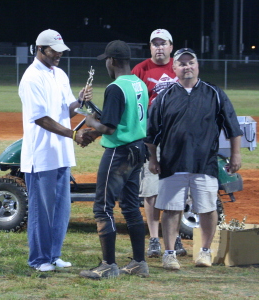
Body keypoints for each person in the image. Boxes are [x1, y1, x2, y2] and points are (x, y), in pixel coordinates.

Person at [145, 48, 242, 270]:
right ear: (175, 68)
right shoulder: (165, 96)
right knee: (171, 209)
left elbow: (232, 127)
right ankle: (169, 254)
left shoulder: (213, 93)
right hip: (172, 163)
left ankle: (205, 252)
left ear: (197, 66)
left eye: (191, 63)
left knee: (207, 209)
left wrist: (236, 154)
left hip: (204, 163)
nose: (187, 66)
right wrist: (152, 159)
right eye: (182, 63)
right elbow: (151, 133)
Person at [19, 29, 94, 272]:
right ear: (40, 49)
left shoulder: (60, 74)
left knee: (61, 209)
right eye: (54, 51)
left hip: (61, 153)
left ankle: (53, 255)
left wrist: (80, 101)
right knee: (42, 210)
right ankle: (38, 259)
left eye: (61, 51)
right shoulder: (31, 78)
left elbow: (67, 110)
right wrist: (73, 134)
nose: (59, 55)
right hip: (41, 155)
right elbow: (41, 118)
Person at [79, 40, 150, 279]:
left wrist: (90, 122)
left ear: (113, 61)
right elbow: (126, 118)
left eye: (107, 60)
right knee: (130, 207)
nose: (106, 65)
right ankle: (139, 262)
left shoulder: (116, 87)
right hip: (138, 150)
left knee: (103, 208)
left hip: (119, 153)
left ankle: (109, 265)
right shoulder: (138, 83)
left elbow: (109, 128)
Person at [131, 29, 186, 258]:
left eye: (163, 44)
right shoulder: (140, 70)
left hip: (177, 139)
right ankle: (154, 239)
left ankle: (174, 237)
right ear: (150, 47)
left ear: (171, 46)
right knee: (151, 190)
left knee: (177, 189)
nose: (159, 48)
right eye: (155, 44)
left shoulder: (181, 66)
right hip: (151, 139)